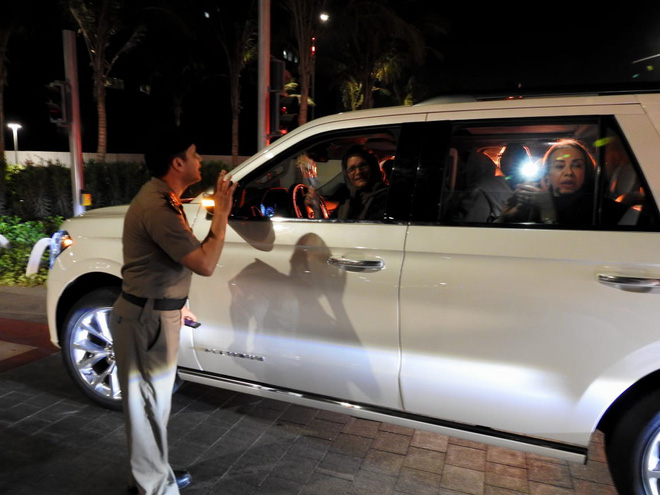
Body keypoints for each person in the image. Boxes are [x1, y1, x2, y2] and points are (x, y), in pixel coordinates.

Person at [110, 127, 236, 495]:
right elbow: (204, 263)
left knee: (153, 407)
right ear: (177, 163)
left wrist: (178, 305)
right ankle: (155, 487)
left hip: (153, 315)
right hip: (145, 321)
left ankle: (151, 475)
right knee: (148, 409)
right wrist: (222, 214)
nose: (200, 160)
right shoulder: (158, 207)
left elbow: (165, 265)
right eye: (194, 154)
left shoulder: (165, 199)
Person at [498, 138, 627, 225]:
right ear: (546, 174)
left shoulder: (602, 209)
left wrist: (547, 209)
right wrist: (504, 218)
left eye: (577, 165)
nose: (568, 172)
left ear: (586, 171)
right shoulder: (531, 204)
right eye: (559, 166)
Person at [306, 145, 388, 220]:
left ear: (372, 168)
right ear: (346, 175)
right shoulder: (348, 200)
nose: (358, 172)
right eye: (352, 169)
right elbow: (331, 228)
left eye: (363, 165)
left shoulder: (385, 198)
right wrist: (316, 209)